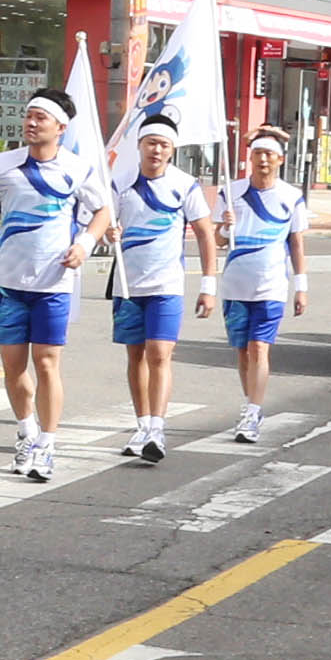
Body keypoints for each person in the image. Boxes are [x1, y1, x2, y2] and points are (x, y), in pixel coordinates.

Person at [0, 92, 104, 479]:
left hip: (53, 282)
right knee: (12, 366)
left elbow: (103, 210)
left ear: (60, 127)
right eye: (28, 116)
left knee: (46, 361)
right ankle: (27, 430)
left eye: (41, 117)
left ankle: (47, 444)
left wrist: (85, 244)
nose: (31, 122)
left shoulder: (77, 168)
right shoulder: (3, 164)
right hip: (10, 282)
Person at [106, 115, 217, 464]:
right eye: (151, 142)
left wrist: (208, 284)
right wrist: (108, 235)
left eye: (163, 145)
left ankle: (157, 427)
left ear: (172, 150)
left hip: (166, 285)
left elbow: (204, 233)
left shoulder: (185, 185)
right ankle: (141, 425)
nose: (156, 150)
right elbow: (102, 224)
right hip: (128, 284)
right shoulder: (120, 182)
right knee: (135, 355)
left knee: (159, 353)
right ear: (139, 145)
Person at [209, 127, 311, 443]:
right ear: (249, 159)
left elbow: (296, 244)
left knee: (258, 347)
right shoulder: (231, 192)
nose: (263, 159)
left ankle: (253, 411)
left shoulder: (291, 197)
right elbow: (215, 240)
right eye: (257, 154)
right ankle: (250, 402)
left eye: (269, 154)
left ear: (280, 160)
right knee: (242, 351)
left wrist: (301, 286)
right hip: (235, 284)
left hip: (271, 286)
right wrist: (225, 228)